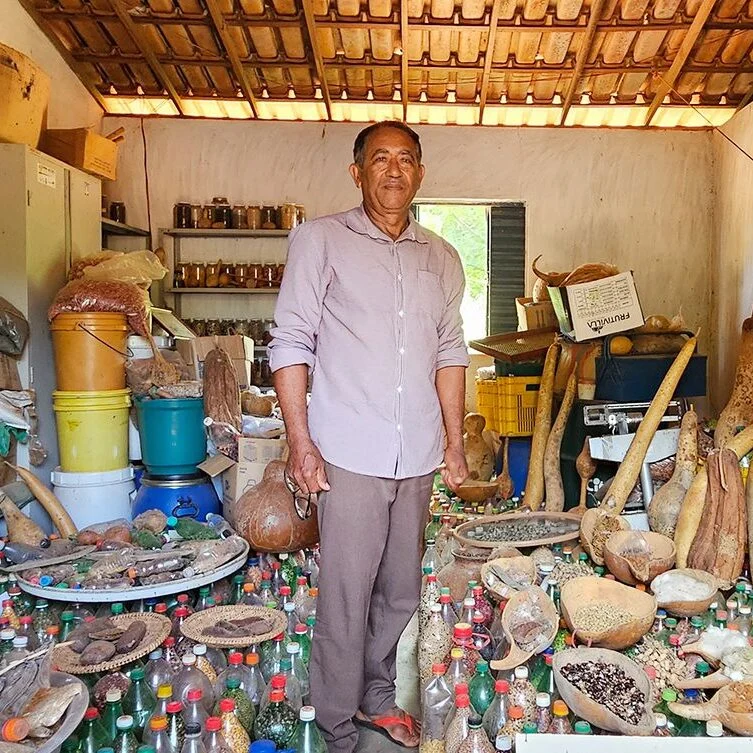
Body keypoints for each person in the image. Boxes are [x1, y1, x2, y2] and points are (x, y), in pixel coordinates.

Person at [268, 121, 469, 752]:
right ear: (357, 173)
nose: (394, 169)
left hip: (417, 453)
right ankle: (335, 724)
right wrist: (300, 442)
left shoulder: (441, 257)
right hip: (348, 450)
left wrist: (455, 443)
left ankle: (375, 696)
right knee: (347, 595)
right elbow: (291, 341)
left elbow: (450, 353)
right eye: (380, 158)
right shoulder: (320, 240)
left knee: (400, 589)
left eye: (406, 159)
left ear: (420, 174)